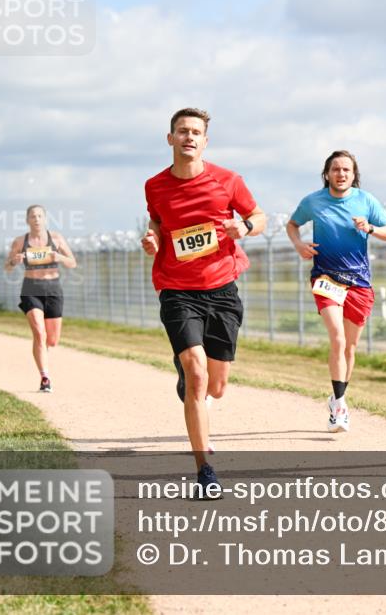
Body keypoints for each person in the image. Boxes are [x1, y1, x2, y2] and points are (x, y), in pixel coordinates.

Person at [141, 107, 266, 497]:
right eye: (182, 131)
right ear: (170, 139)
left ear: (205, 141)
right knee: (196, 375)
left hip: (222, 288)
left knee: (217, 386)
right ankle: (205, 469)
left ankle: (188, 374)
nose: (189, 137)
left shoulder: (228, 181)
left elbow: (259, 216)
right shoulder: (155, 185)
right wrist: (153, 238)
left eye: (196, 132)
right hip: (177, 289)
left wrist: (243, 226)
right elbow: (158, 222)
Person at [287, 150, 386, 432]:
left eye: (346, 170)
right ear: (327, 174)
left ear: (353, 174)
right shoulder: (314, 201)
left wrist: (370, 227)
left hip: (359, 282)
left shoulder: (366, 200)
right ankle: (339, 406)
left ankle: (339, 396)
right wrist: (299, 245)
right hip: (326, 279)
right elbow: (292, 224)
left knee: (349, 346)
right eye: (335, 169)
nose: (341, 174)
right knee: (336, 338)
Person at [4, 205, 77, 393]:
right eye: (32, 216)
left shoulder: (57, 238)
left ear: (45, 218)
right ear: (27, 220)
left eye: (39, 216)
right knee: (39, 333)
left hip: (53, 289)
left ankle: (44, 354)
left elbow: (72, 263)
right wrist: (15, 260)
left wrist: (59, 257)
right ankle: (45, 377)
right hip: (31, 288)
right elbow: (8, 266)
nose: (36, 219)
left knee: (51, 341)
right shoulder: (20, 241)